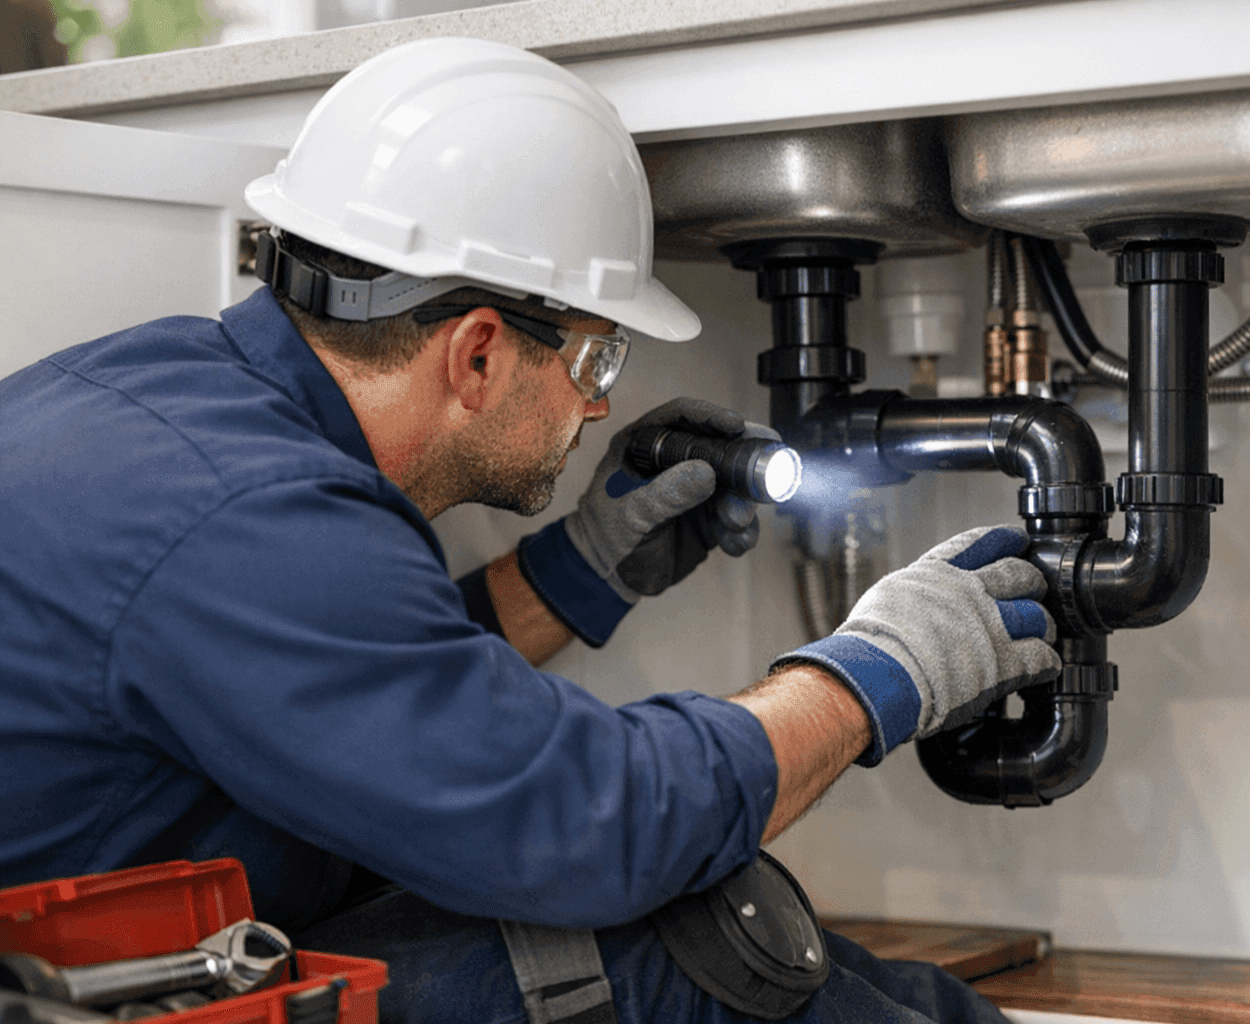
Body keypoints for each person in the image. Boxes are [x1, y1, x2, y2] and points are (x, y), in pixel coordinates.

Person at [0, 38, 1061, 1024]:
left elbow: (361, 701)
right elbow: (594, 828)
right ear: (476, 352)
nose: (599, 403)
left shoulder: (180, 398)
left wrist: (578, 572)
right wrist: (875, 672)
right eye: (597, 359)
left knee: (760, 937)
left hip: (150, 956)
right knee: (685, 948)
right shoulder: (250, 515)